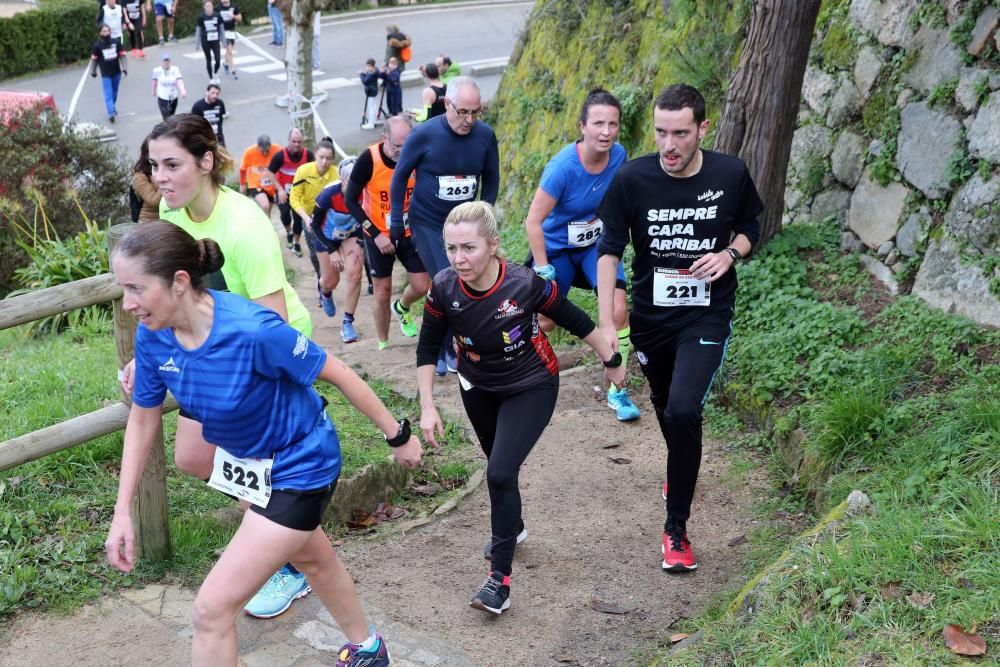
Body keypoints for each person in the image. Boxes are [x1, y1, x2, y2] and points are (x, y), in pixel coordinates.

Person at [106, 221, 418, 666]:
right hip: (254, 468)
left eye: (135, 288)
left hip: (301, 465)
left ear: (178, 282)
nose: (128, 303)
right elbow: (142, 419)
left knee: (211, 611)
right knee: (313, 559)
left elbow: (338, 372)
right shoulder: (154, 335)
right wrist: (122, 511)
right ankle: (368, 649)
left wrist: (398, 435)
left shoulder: (254, 331)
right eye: (123, 289)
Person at [138, 113, 324, 620]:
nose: (160, 177)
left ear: (205, 162)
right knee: (194, 457)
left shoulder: (245, 225)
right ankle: (292, 547)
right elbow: (175, 303)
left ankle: (286, 561)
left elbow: (276, 323)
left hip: (266, 356)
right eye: (154, 165)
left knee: (255, 465)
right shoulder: (172, 220)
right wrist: (148, 363)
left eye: (172, 164)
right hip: (217, 356)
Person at [417, 201, 625, 615]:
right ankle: (514, 526)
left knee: (498, 471)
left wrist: (612, 360)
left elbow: (573, 318)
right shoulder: (442, 288)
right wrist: (427, 405)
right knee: (499, 466)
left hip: (531, 384)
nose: (459, 259)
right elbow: (427, 346)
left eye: (469, 248)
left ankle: (499, 582)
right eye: (452, 249)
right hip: (476, 385)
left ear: (493, 246)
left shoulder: (523, 284)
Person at [596, 84, 762, 572]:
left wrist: (730, 254)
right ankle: (680, 467)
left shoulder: (730, 173)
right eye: (661, 133)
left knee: (686, 408)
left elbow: (753, 226)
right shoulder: (632, 179)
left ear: (702, 129)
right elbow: (608, 250)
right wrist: (608, 324)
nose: (669, 145)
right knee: (670, 411)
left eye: (681, 134)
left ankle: (676, 530)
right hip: (651, 318)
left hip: (705, 314)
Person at [524, 88, 639, 422]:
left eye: (613, 124)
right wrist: (542, 267)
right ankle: (522, 375)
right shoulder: (562, 168)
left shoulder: (619, 156)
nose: (606, 132)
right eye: (598, 123)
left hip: (593, 247)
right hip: (557, 249)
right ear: (583, 127)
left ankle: (617, 388)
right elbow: (532, 222)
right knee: (545, 319)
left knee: (618, 311)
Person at [389, 76, 499, 375]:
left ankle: (454, 344)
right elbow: (399, 176)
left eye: (476, 112)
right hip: (428, 221)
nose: (469, 119)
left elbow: (491, 178)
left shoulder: (485, 136)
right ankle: (442, 346)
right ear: (447, 104)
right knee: (445, 280)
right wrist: (397, 219)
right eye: (462, 111)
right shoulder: (424, 135)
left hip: (464, 223)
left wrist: (486, 214)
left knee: (468, 279)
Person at [344, 116, 428, 351]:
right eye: (397, 146)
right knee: (382, 291)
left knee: (422, 286)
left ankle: (402, 307)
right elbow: (350, 200)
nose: (403, 152)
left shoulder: (417, 155)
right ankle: (383, 342)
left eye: (407, 145)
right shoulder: (369, 159)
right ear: (384, 138)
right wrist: (376, 234)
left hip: (410, 231)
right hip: (378, 234)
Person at [310, 158, 365, 343]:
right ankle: (324, 290)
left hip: (351, 234)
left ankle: (347, 322)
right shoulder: (327, 196)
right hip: (326, 236)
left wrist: (362, 240)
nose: (356, 186)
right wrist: (332, 250)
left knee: (355, 273)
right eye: (352, 182)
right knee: (332, 281)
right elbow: (314, 227)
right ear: (343, 180)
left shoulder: (365, 192)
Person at [290, 137, 340, 260]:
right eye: (321, 157)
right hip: (309, 216)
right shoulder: (303, 171)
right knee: (315, 254)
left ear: (333, 159)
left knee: (332, 251)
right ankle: (320, 277)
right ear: (315, 154)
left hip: (330, 218)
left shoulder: (337, 174)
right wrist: (306, 218)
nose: (324, 162)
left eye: (328, 158)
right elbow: (294, 197)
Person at [269, 128, 314, 259]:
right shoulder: (280, 156)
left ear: (303, 142)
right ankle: (288, 232)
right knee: (285, 214)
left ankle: (296, 242)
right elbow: (270, 173)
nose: (296, 144)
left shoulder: (308, 156)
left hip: (300, 195)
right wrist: (280, 189)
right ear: (289, 140)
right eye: (294, 141)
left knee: (298, 219)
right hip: (284, 192)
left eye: (299, 141)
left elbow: (313, 172)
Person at [89, 24, 128, 123]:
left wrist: (125, 69)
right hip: (105, 74)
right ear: (100, 33)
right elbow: (94, 60)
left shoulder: (116, 42)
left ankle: (112, 107)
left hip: (116, 72)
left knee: (114, 92)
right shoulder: (97, 46)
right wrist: (93, 71)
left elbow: (122, 56)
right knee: (108, 93)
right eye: (104, 31)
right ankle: (111, 113)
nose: (106, 33)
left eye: (107, 31)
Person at [239, 134, 281, 216]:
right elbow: (242, 169)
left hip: (272, 185)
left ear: (270, 145)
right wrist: (242, 184)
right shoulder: (249, 152)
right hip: (256, 184)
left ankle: (266, 225)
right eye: (262, 151)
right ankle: (263, 225)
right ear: (258, 147)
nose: (265, 153)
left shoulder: (278, 149)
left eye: (267, 151)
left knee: (268, 210)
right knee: (265, 205)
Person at [131, 136, 161, 223]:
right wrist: (167, 182)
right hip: (150, 224)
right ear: (147, 154)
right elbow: (154, 201)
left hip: (171, 220)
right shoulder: (140, 176)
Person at [152, 53, 186, 120]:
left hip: (173, 96)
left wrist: (183, 91)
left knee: (172, 115)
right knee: (166, 116)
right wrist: (153, 91)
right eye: (165, 61)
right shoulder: (157, 71)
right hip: (163, 97)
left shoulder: (175, 69)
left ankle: (170, 128)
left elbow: (179, 80)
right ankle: (168, 129)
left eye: (168, 60)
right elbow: (154, 81)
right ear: (162, 62)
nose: (166, 62)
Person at [197, 1, 222, 83]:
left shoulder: (217, 15)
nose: (209, 8)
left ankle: (216, 73)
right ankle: (211, 78)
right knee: (208, 59)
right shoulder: (201, 17)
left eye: (210, 6)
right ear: (204, 7)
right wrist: (197, 44)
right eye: (207, 6)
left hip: (215, 41)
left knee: (218, 59)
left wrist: (224, 41)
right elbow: (198, 30)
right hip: (205, 41)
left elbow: (221, 29)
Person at [218, 0, 241, 80]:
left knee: (229, 51)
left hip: (231, 31)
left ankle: (225, 63)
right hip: (223, 33)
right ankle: (233, 70)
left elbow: (239, 18)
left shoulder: (233, 7)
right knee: (230, 51)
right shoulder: (218, 8)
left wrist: (233, 16)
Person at [359, 58, 379, 130]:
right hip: (374, 90)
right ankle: (374, 119)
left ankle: (371, 123)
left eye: (367, 66)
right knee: (374, 105)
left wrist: (361, 74)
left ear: (370, 66)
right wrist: (364, 74)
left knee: (371, 107)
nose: (366, 68)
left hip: (370, 91)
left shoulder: (371, 73)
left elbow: (365, 81)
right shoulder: (375, 70)